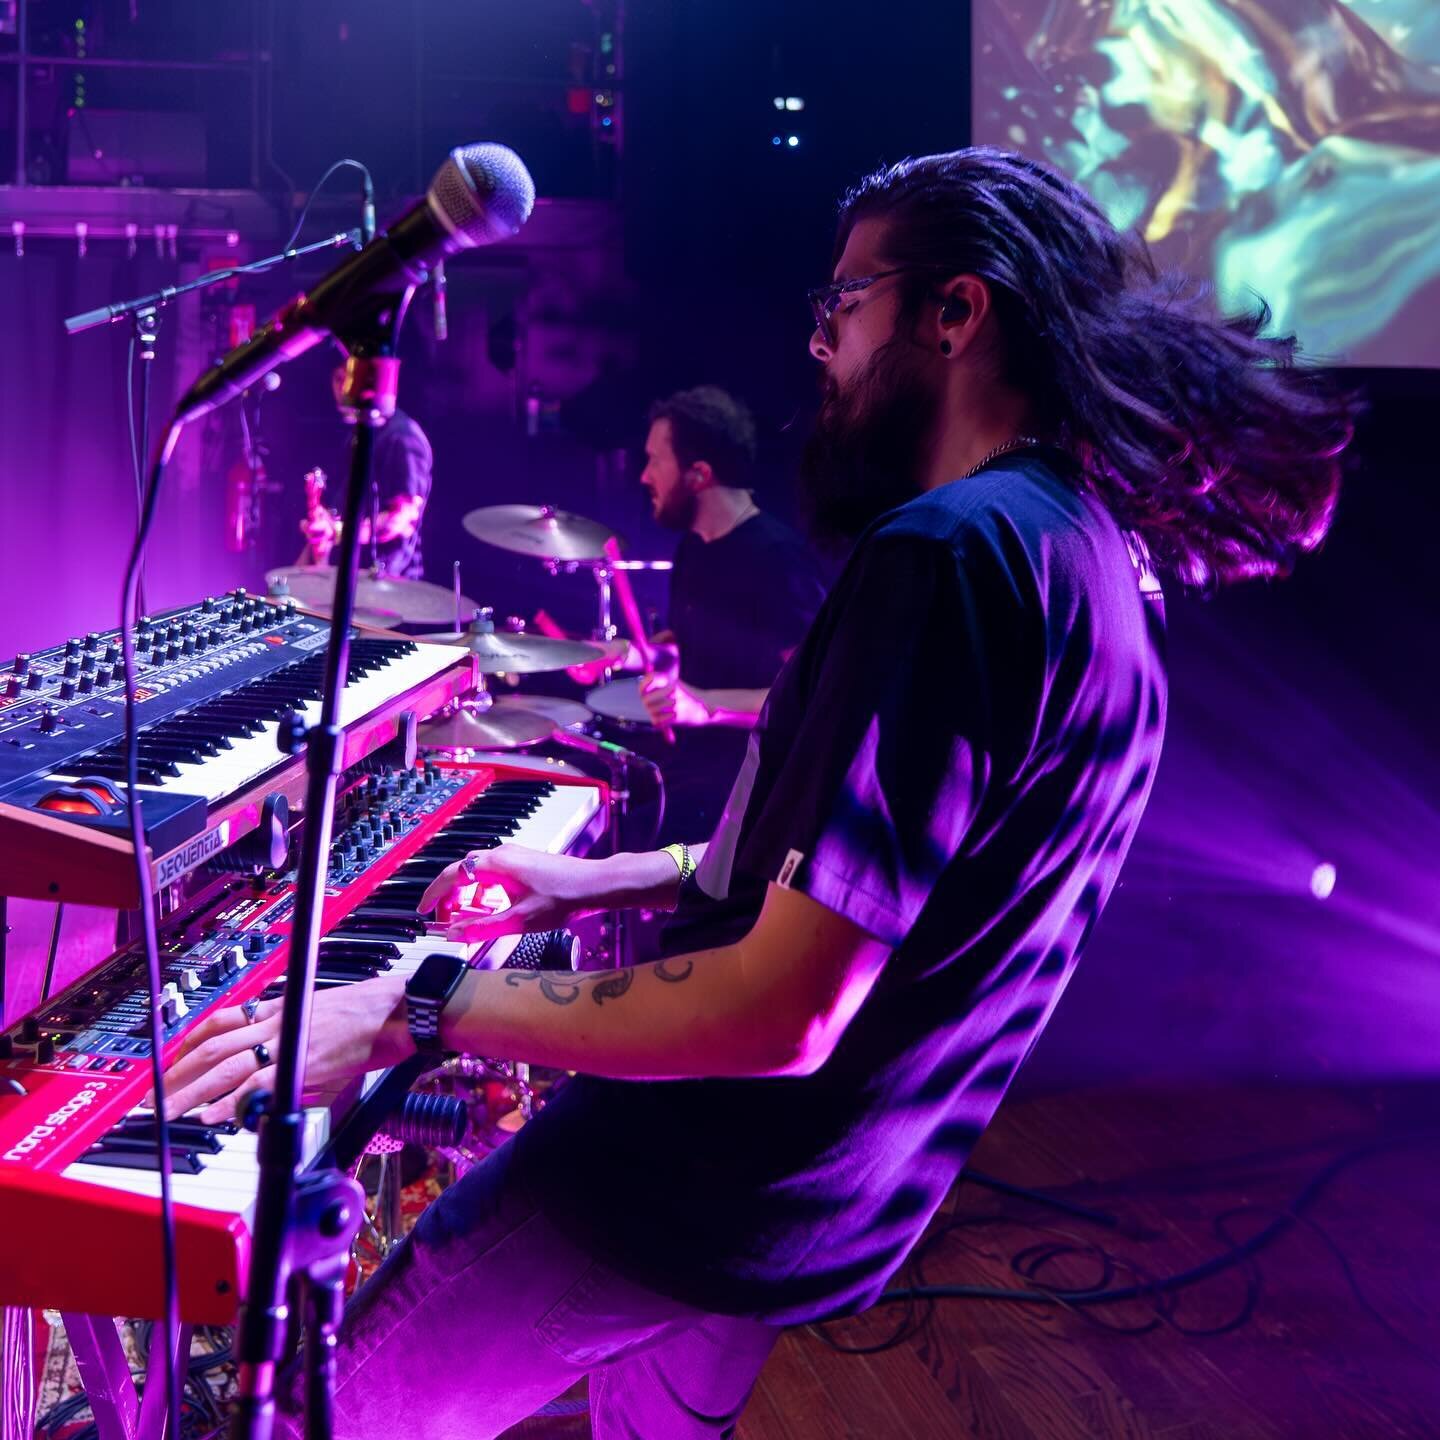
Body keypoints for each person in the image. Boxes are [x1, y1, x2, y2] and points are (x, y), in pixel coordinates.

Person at [164, 147, 1352, 1439]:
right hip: (827, 1214)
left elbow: (782, 1012)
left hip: (685, 1181)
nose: (822, 349)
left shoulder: (948, 557)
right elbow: (904, 878)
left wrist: (420, 1004)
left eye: (844, 308)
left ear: (954, 314)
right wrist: (614, 874)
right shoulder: (1089, 561)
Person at [576, 385, 826, 840]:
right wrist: (624, 654)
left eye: (655, 461)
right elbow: (684, 646)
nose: (644, 476)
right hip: (690, 761)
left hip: (747, 784)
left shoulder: (778, 561)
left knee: (618, 838)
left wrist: (705, 708)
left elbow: (809, 700)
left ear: (699, 474)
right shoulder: (694, 547)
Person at [298, 364, 434, 580]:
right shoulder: (361, 431)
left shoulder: (403, 437)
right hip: (349, 577)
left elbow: (401, 520)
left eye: (350, 377)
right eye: (337, 378)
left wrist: (337, 531)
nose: (343, 388)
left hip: (388, 584)